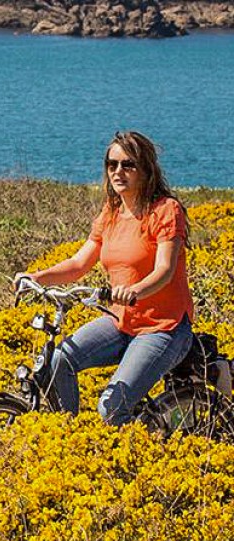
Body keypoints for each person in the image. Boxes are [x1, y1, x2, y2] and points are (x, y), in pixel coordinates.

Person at [14, 131, 193, 426]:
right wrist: (37, 277)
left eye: (127, 164)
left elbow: (164, 270)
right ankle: (68, 438)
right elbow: (79, 263)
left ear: (146, 169)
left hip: (163, 327)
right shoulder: (111, 213)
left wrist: (133, 290)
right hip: (121, 321)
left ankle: (131, 464)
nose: (118, 171)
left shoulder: (165, 210)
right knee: (60, 360)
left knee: (111, 408)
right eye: (112, 164)